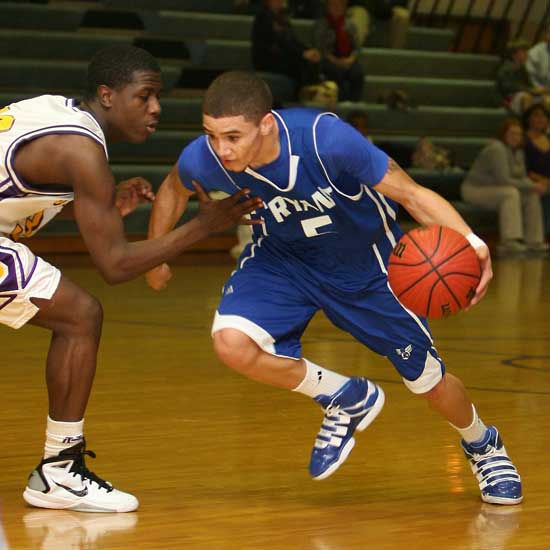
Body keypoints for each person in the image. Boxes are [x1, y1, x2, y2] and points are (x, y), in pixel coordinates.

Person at [146, 71, 523, 505]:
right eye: (212, 135)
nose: (221, 149)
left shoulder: (326, 140)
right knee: (231, 342)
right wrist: (156, 256)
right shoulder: (209, 157)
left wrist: (473, 243)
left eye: (233, 136)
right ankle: (344, 396)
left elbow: (412, 194)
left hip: (367, 268)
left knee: (430, 383)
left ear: (266, 123)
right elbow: (173, 188)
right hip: (285, 261)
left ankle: (483, 444)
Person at [0, 46, 261, 513]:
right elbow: (116, 265)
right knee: (80, 316)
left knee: (74, 313)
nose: (156, 109)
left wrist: (101, 198)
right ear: (107, 95)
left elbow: (22, 183)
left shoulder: (56, 113)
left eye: (157, 97)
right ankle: (59, 471)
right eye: (145, 97)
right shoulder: (82, 151)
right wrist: (203, 226)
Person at [461, 118, 547, 256]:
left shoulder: (518, 152)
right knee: (511, 193)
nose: (515, 137)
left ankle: (534, 240)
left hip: (497, 190)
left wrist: (533, 187)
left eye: (518, 134)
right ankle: (509, 241)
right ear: (504, 134)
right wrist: (532, 185)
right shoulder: (497, 149)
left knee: (531, 195)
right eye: (512, 133)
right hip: (475, 190)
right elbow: (504, 180)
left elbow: (522, 177)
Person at [252, 0, 322, 97]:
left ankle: (313, 92)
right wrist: (302, 53)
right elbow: (280, 42)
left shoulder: (282, 17)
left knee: (309, 60)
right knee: (298, 62)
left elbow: (292, 40)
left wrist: (307, 50)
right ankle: (300, 96)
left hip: (283, 54)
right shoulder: (263, 17)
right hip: (267, 58)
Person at [313, 0, 365, 102]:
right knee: (335, 72)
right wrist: (335, 61)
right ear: (328, 7)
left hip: (347, 59)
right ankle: (339, 101)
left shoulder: (350, 24)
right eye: (334, 5)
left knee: (358, 73)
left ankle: (354, 102)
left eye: (340, 5)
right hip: (329, 59)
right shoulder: (321, 24)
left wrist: (351, 59)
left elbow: (357, 46)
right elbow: (319, 46)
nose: (337, 8)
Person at [496, 39, 550, 116]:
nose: (527, 54)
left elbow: (529, 85)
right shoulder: (506, 69)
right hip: (508, 98)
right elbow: (508, 87)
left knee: (546, 99)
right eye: (523, 52)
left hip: (523, 94)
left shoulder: (523, 69)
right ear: (514, 54)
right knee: (526, 97)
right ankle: (526, 123)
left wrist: (540, 90)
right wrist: (531, 90)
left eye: (526, 51)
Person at [523, 104, 550, 238]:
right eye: (536, 115)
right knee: (542, 190)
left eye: (543, 116)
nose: (540, 119)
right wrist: (541, 180)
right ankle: (544, 235)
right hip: (530, 180)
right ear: (529, 119)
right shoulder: (522, 139)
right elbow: (523, 167)